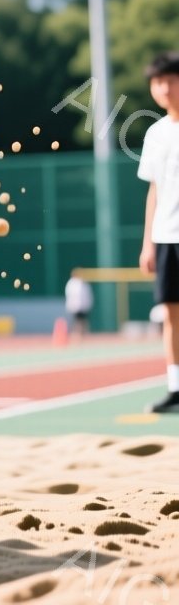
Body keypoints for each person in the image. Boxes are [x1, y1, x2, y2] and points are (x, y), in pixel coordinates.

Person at [137, 51, 179, 413]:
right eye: (157, 82)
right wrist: (147, 243)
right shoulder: (155, 133)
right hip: (166, 237)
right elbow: (154, 190)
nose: (164, 88)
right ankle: (175, 387)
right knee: (170, 314)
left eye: (171, 80)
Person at [64, 268, 94, 341]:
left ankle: (83, 335)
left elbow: (88, 295)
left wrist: (88, 304)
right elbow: (71, 295)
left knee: (84, 321)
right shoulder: (72, 284)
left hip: (83, 306)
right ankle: (76, 335)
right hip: (75, 306)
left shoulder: (84, 283)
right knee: (77, 321)